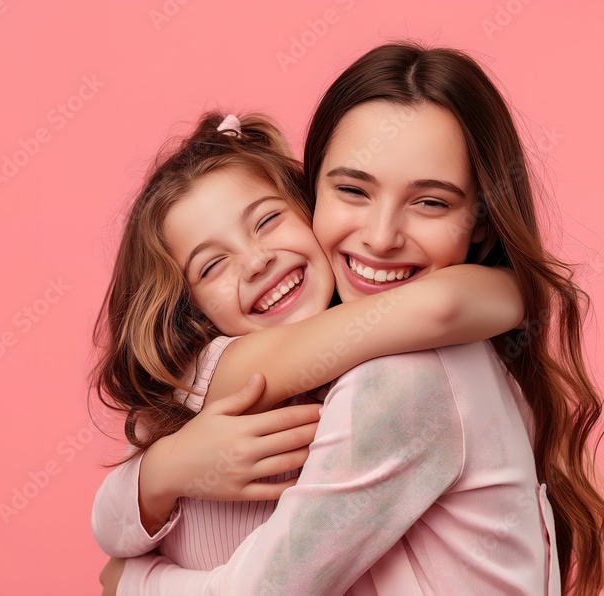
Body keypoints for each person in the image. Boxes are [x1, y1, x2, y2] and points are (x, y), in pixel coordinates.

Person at [101, 42, 604, 596]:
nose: (382, 238)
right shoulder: (308, 359)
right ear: (311, 192)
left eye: (431, 202)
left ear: (481, 220)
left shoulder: (405, 379)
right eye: (352, 190)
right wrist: (163, 471)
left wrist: (131, 580)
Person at [89, 110, 525, 576]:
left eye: (268, 220)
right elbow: (441, 307)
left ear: (308, 210)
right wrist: (162, 473)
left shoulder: (391, 372)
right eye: (211, 266)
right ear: (191, 308)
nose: (256, 261)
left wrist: (131, 580)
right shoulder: (221, 367)